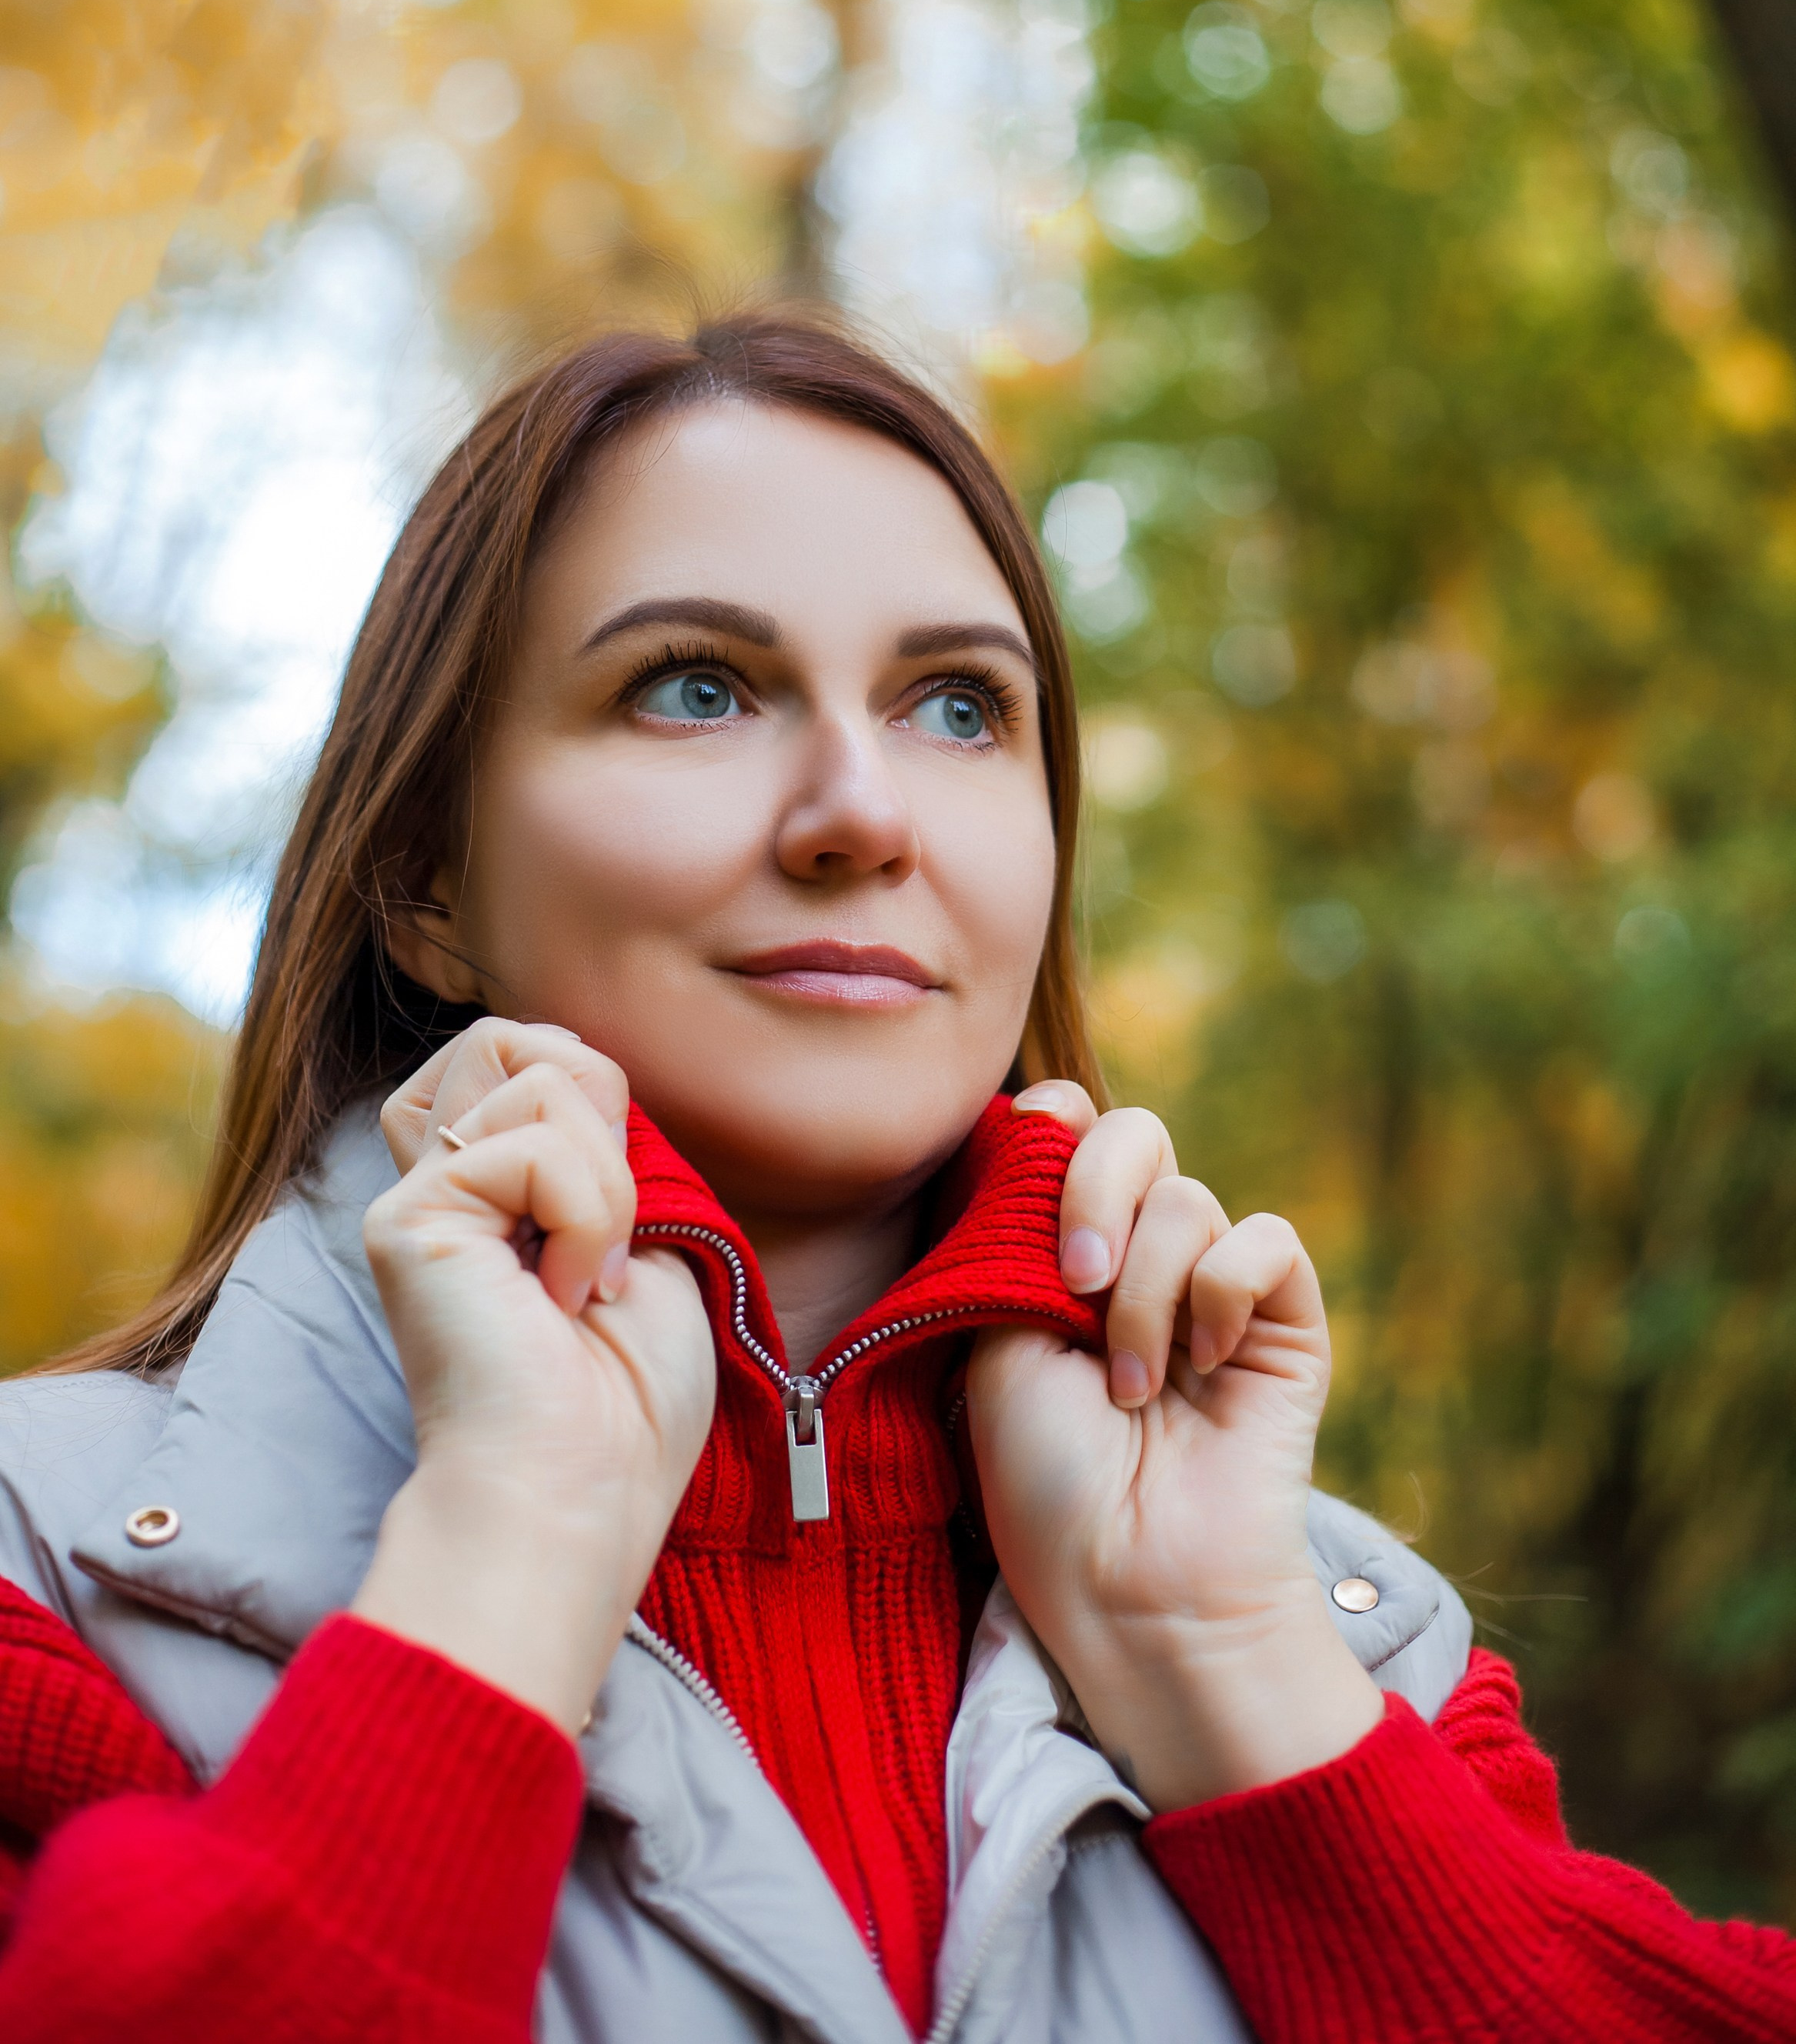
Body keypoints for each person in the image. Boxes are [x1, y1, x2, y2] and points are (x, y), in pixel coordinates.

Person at [0, 311, 1789, 2044]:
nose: (864, 809)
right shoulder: (45, 1585)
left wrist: (1217, 1658)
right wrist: (506, 1553)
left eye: (957, 706)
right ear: (425, 883)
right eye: (695, 687)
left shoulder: (1361, 1648)